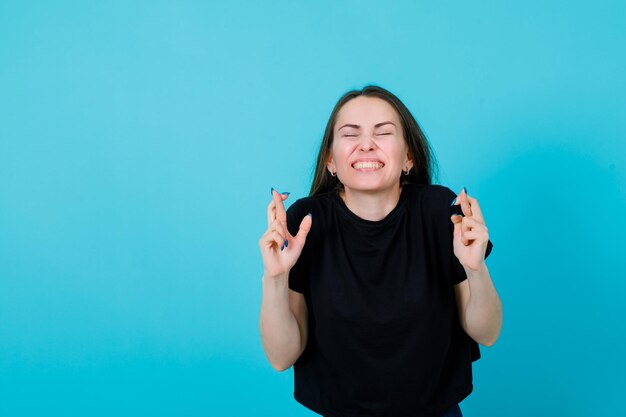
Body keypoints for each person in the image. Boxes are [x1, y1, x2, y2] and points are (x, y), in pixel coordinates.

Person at [259, 86, 502, 417]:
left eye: (384, 132)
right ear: (331, 160)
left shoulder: (439, 213)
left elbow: (487, 334)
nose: (367, 144)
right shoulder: (305, 223)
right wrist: (275, 278)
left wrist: (475, 270)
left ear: (408, 158)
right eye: (350, 134)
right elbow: (281, 357)